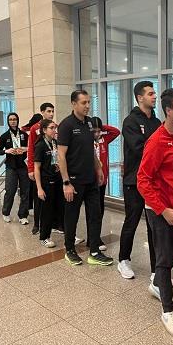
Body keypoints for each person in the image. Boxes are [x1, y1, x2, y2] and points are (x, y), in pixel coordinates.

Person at [137, 88, 173, 338]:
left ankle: (156, 283)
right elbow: (143, 180)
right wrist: (163, 209)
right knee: (164, 260)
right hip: (161, 210)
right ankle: (168, 311)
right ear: (168, 110)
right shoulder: (156, 141)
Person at [57, 89, 113, 266]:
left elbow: (91, 150)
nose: (88, 106)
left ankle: (94, 251)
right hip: (74, 180)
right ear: (74, 104)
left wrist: (99, 168)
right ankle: (70, 250)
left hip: (91, 179)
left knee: (95, 215)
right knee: (72, 216)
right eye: (84, 103)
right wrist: (66, 182)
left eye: (89, 102)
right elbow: (61, 155)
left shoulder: (89, 123)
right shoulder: (66, 125)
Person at [118, 81, 161, 282]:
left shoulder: (157, 122)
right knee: (132, 220)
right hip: (134, 181)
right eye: (150, 93)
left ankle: (156, 269)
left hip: (154, 182)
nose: (154, 96)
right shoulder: (131, 122)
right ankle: (123, 259)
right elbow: (140, 149)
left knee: (154, 226)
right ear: (140, 97)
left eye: (154, 93)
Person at [26, 103, 66, 236]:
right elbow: (31, 149)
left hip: (53, 169)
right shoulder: (35, 129)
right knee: (40, 200)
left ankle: (56, 224)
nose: (51, 113)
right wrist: (31, 168)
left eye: (53, 111)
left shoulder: (55, 128)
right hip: (41, 169)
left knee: (55, 201)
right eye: (48, 111)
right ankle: (37, 225)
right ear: (42, 112)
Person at [90, 116, 120, 251]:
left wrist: (102, 127)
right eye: (94, 131)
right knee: (93, 211)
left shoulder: (104, 139)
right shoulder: (87, 141)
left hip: (102, 180)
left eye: (99, 131)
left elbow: (116, 132)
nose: (97, 134)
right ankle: (93, 238)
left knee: (100, 210)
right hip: (91, 181)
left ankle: (95, 236)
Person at [33, 119, 63, 248]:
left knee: (60, 208)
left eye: (55, 128)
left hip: (57, 179)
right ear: (44, 130)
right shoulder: (40, 145)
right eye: (51, 128)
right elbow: (37, 168)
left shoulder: (55, 143)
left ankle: (65, 231)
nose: (54, 130)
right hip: (46, 181)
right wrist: (39, 188)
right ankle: (44, 237)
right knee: (47, 211)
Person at [0, 112, 30, 225]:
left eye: (14, 119)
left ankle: (23, 215)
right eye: (10, 119)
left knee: (25, 191)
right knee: (10, 191)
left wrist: (24, 149)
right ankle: (6, 213)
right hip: (11, 167)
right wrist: (7, 151)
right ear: (8, 121)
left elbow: (30, 148)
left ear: (17, 120)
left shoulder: (24, 135)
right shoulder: (4, 136)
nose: (13, 121)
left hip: (23, 166)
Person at [22, 113, 43, 213]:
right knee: (31, 186)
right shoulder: (31, 130)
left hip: (30, 159)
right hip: (30, 159)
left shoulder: (25, 129)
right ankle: (30, 206)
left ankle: (30, 206)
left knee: (30, 186)